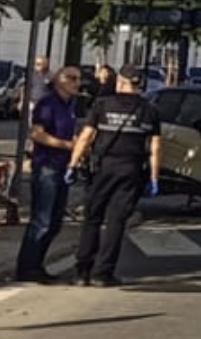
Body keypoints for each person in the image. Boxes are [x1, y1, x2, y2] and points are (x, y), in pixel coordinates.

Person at [65, 68, 162, 287]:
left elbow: (86, 137)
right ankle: (102, 273)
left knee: (92, 217)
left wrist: (73, 164)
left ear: (120, 81)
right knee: (116, 221)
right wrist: (154, 177)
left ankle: (82, 271)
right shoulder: (150, 110)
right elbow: (155, 148)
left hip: (103, 168)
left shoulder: (102, 105)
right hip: (131, 169)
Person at [14, 67, 86, 283]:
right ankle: (27, 268)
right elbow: (37, 134)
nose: (76, 83)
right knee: (42, 220)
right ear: (57, 80)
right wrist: (67, 145)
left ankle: (37, 265)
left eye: (78, 79)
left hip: (63, 167)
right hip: (47, 166)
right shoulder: (47, 104)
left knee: (55, 222)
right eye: (71, 78)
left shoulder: (71, 105)